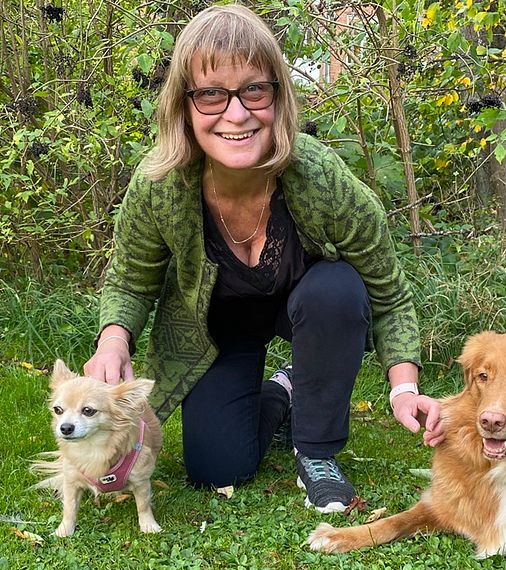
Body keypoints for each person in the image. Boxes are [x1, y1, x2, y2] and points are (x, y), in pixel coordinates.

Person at [84, 3, 444, 514]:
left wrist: (402, 389)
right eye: (211, 94)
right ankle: (283, 391)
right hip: (217, 327)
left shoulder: (318, 176)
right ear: (183, 106)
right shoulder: (159, 186)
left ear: (278, 95)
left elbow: (388, 292)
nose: (236, 113)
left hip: (306, 309)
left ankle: (316, 451)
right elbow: (129, 281)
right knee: (215, 469)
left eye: (254, 89)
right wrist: (113, 341)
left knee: (338, 288)